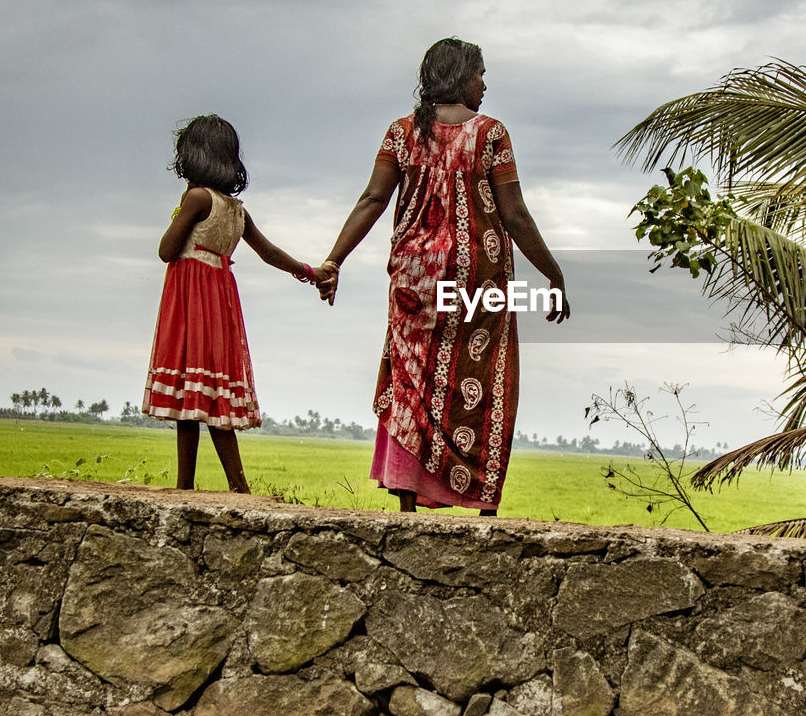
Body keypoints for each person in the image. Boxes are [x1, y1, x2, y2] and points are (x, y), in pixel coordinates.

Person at [317, 38, 569, 516]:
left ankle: (408, 506)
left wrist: (334, 260)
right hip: (478, 280)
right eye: (480, 73)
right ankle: (482, 506)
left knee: (412, 383)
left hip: (413, 279)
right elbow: (514, 214)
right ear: (459, 76)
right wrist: (553, 275)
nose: (485, 83)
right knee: (483, 377)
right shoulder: (491, 134)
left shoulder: (400, 133)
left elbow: (372, 200)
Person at [143, 114, 327, 493]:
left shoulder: (195, 199)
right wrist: (310, 272)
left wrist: (178, 211)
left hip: (191, 303)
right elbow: (270, 253)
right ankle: (224, 486)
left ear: (193, 157)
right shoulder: (237, 210)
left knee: (192, 394)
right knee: (210, 393)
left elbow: (166, 250)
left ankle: (195, 486)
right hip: (220, 303)